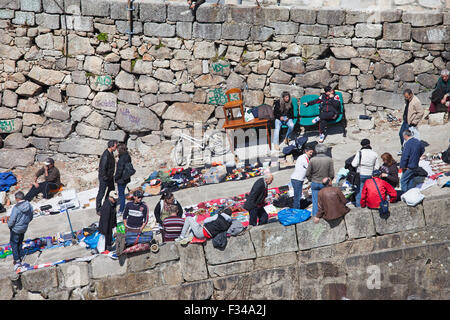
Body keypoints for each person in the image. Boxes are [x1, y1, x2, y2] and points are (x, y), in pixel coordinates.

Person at [305, 143, 334, 217]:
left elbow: (308, 173)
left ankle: (316, 215)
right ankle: (326, 214)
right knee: (326, 200)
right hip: (325, 183)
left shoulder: (312, 160)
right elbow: (331, 174)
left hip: (315, 182)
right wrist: (329, 180)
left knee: (315, 201)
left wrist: (311, 179)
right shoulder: (329, 160)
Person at [8, 191, 33, 271]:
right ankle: (21, 255)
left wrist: (9, 225)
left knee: (14, 243)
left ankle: (17, 260)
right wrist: (26, 223)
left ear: (16, 198)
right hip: (24, 227)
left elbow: (12, 220)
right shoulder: (29, 205)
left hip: (16, 228)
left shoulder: (16, 208)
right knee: (20, 242)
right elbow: (31, 216)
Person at [351, 139, 380, 207]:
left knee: (360, 190)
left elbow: (354, 164)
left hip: (361, 174)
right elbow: (377, 167)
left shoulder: (360, 153)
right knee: (369, 190)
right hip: (370, 175)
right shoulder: (374, 153)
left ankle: (359, 205)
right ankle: (369, 204)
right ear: (369, 144)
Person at [398, 89, 424, 155]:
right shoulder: (407, 100)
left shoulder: (416, 101)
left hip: (410, 122)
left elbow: (421, 112)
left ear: (411, 94)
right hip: (406, 121)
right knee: (401, 134)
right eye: (405, 97)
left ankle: (408, 150)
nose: (406, 98)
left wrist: (414, 121)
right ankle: (404, 148)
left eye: (407, 97)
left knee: (408, 136)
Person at [96, 140, 118, 215]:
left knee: (111, 189)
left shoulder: (111, 153)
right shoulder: (105, 155)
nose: (116, 147)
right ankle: (98, 209)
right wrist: (105, 177)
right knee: (101, 192)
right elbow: (102, 168)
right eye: (115, 146)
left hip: (110, 176)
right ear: (112, 146)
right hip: (105, 178)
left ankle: (107, 203)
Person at [114, 143, 132, 215]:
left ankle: (121, 209)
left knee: (121, 195)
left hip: (121, 179)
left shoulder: (121, 159)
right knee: (122, 193)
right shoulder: (128, 156)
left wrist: (116, 178)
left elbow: (119, 170)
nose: (117, 150)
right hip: (126, 177)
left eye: (118, 149)